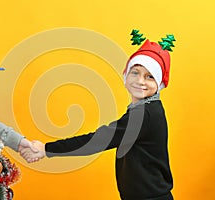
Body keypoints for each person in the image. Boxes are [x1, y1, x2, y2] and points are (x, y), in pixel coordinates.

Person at [21, 32, 175, 200]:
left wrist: (46, 149)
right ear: (125, 75)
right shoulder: (146, 108)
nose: (140, 81)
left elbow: (98, 140)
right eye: (135, 72)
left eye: (149, 76)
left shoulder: (145, 114)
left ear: (159, 84)